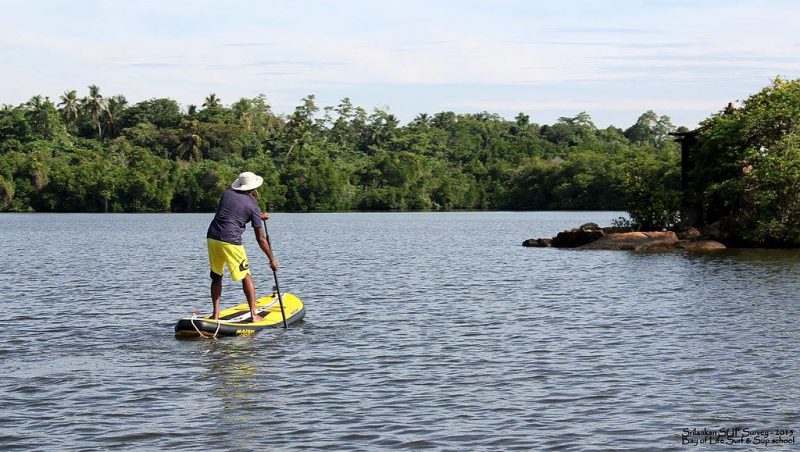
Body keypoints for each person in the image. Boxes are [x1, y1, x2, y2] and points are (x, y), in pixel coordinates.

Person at [206, 171, 278, 321]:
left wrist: (258, 216)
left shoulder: (226, 194)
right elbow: (261, 238)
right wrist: (271, 259)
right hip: (230, 241)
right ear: (254, 189)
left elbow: (233, 213)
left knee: (217, 276)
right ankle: (253, 315)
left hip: (212, 237)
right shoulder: (253, 206)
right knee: (246, 276)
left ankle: (215, 314)